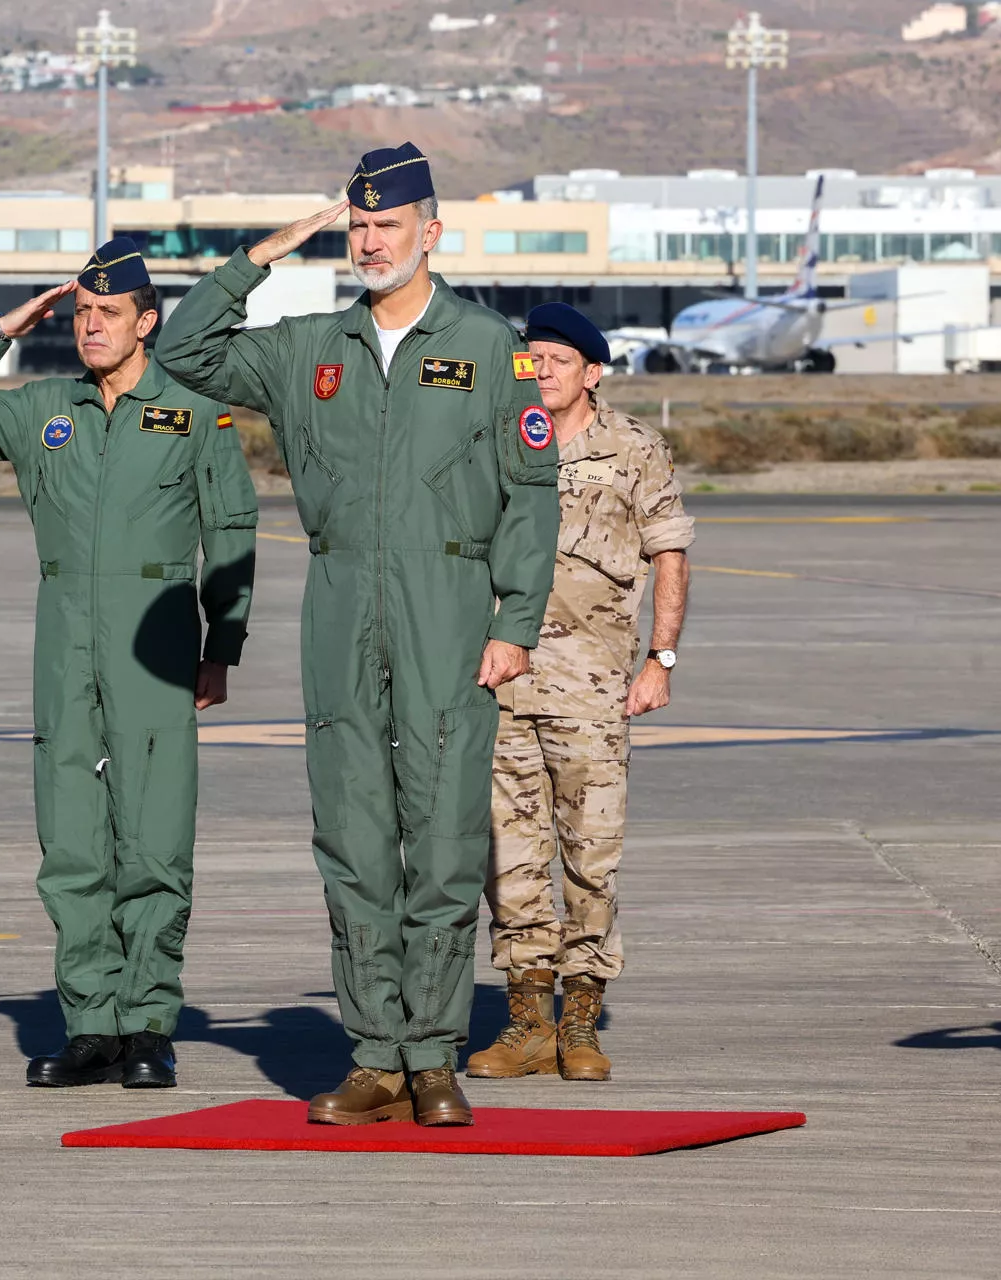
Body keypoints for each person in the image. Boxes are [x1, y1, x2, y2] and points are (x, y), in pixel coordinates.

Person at [157, 143, 558, 1126]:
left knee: (445, 839)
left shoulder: (489, 347)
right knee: (353, 837)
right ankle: (376, 1054)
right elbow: (182, 351)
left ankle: (434, 1056)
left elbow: (531, 492)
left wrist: (515, 620)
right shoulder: (308, 348)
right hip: (340, 603)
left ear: (432, 231)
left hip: (448, 603)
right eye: (359, 226)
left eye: (390, 224)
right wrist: (261, 255)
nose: (372, 241)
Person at [0, 238, 259, 1089]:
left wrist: (222, 646)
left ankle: (147, 1024)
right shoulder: (43, 409)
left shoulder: (195, 411)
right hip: (64, 638)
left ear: (148, 322)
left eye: (108, 312)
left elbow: (232, 530)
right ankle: (90, 1025)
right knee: (71, 842)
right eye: (79, 312)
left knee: (153, 840)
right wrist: (2, 329)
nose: (90, 325)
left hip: (157, 639)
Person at [467, 301, 692, 1083]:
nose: (541, 372)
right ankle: (528, 1021)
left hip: (593, 689)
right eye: (531, 360)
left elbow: (669, 552)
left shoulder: (632, 448)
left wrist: (661, 659)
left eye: (558, 361)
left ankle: (582, 1018)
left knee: (592, 856)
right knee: (510, 857)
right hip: (502, 682)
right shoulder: (496, 439)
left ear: (592, 373)